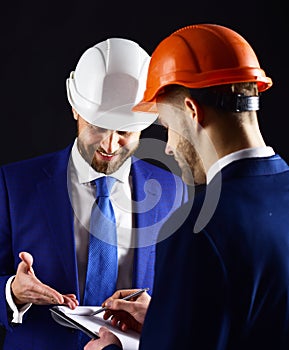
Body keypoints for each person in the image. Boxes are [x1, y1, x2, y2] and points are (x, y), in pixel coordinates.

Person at [85, 24, 289, 350]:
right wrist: (167, 321)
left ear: (192, 112)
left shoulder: (198, 228)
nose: (168, 147)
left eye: (167, 126)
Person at [0, 37, 189, 349]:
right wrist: (11, 291)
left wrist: (157, 312)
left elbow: (189, 297)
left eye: (125, 132)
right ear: (76, 109)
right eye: (98, 127)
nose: (109, 145)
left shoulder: (175, 192)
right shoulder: (13, 185)